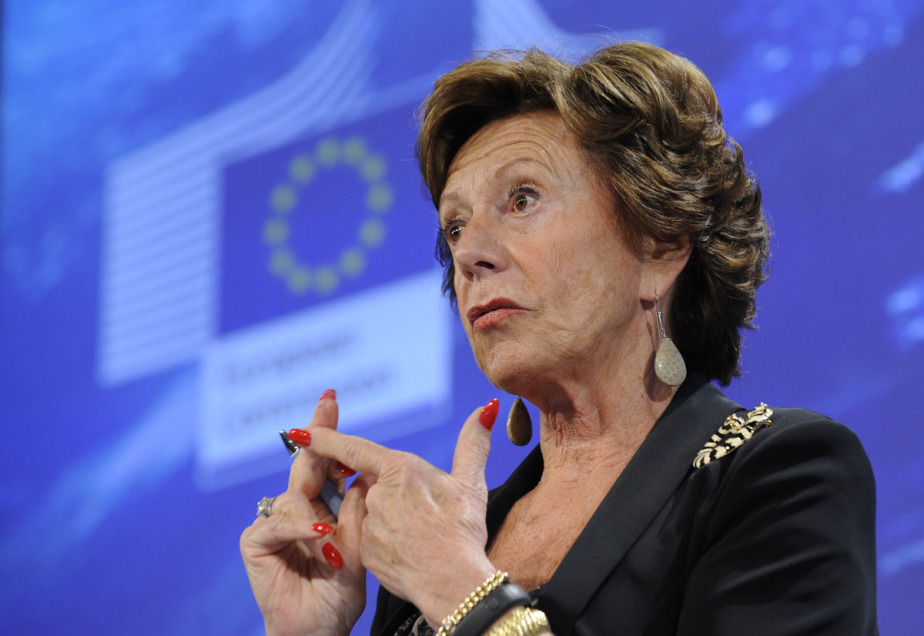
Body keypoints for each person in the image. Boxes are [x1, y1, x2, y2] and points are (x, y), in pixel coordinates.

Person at [240, 42, 878, 635]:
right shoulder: (446, 543)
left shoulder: (781, 474)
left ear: (659, 247)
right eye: (455, 229)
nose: (471, 257)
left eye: (521, 199)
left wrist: (462, 593)